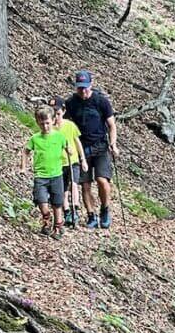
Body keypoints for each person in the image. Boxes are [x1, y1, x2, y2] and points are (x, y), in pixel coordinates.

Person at [64, 68, 119, 229]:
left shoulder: (101, 101)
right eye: (80, 87)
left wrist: (113, 144)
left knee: (102, 180)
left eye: (85, 87)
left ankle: (105, 209)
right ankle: (91, 215)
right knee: (85, 184)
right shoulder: (71, 103)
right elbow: (66, 125)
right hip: (82, 149)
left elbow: (111, 125)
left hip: (100, 146)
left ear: (91, 84)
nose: (83, 90)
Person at [22, 106, 67, 239]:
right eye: (42, 124)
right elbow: (25, 151)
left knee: (57, 202)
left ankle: (58, 226)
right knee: (41, 200)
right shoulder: (35, 138)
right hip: (40, 176)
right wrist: (23, 167)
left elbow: (67, 147)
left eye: (47, 123)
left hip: (56, 175)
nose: (45, 126)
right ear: (37, 123)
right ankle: (46, 217)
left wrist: (72, 154)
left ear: (53, 121)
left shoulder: (59, 137)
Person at [52, 95, 87, 228]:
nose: (56, 117)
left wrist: (83, 159)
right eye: (53, 114)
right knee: (63, 189)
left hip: (72, 161)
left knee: (74, 183)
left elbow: (78, 143)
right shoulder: (50, 128)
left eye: (58, 113)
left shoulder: (70, 125)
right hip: (58, 163)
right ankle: (66, 211)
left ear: (63, 111)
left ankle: (75, 208)